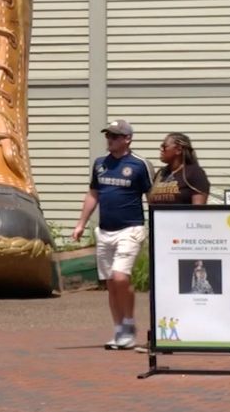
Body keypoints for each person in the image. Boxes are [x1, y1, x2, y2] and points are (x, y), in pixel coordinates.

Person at [72, 119, 154, 350]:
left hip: (131, 228)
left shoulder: (140, 165)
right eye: (108, 135)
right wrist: (81, 224)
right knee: (111, 282)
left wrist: (159, 226)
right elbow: (93, 195)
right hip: (105, 231)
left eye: (115, 136)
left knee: (120, 277)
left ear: (127, 139)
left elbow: (152, 197)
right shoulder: (100, 164)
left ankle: (129, 325)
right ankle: (118, 329)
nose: (110, 140)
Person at [147, 132, 210, 206]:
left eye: (164, 146)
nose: (161, 150)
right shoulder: (161, 173)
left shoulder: (195, 173)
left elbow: (198, 211)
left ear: (178, 150)